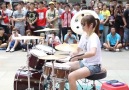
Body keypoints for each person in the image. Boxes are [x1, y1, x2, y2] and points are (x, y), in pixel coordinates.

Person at [59, 15, 101, 90]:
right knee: (62, 68)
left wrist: (78, 57)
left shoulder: (94, 37)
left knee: (71, 76)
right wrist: (73, 54)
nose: (82, 26)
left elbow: (92, 52)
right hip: (85, 62)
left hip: (94, 65)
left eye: (83, 24)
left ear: (91, 25)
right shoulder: (84, 35)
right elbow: (78, 49)